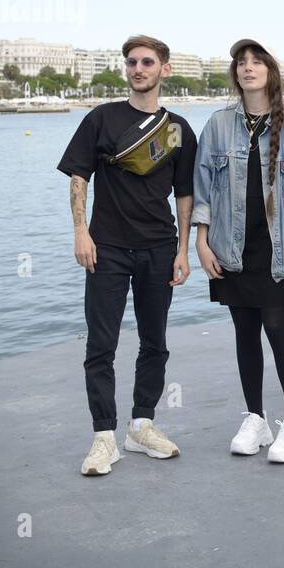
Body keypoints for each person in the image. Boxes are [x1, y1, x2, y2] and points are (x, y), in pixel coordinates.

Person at [58, 35, 198, 476]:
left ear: (164, 69)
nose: (139, 69)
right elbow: (78, 177)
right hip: (108, 248)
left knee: (154, 342)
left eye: (148, 62)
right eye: (133, 62)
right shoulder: (101, 119)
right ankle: (104, 438)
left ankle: (142, 426)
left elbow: (185, 194)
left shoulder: (176, 128)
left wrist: (183, 251)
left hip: (159, 249)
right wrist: (81, 231)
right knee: (102, 344)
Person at [192, 39, 284, 463]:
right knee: (244, 332)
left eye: (256, 62)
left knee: (278, 328)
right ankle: (255, 418)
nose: (248, 68)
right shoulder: (216, 124)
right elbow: (202, 189)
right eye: (241, 63)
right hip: (231, 250)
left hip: (277, 251)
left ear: (271, 70)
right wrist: (200, 239)